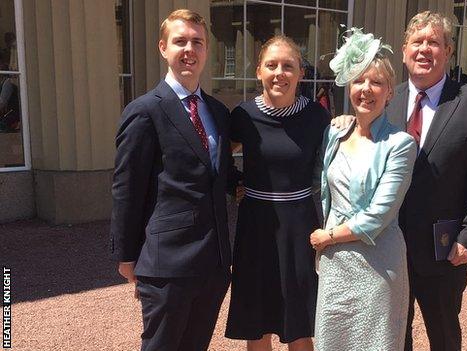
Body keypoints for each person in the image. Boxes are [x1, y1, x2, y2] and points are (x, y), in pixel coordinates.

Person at [331, 11, 467, 351]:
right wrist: (348, 122)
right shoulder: (384, 100)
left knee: (444, 335)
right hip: (387, 246)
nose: (425, 50)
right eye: (417, 42)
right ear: (405, 50)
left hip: (443, 248)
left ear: (448, 51)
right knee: (391, 335)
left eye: (434, 42)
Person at [110, 9, 239, 350]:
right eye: (180, 41)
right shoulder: (144, 110)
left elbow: (223, 175)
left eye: (197, 42)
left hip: (213, 263)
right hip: (167, 264)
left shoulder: (218, 112)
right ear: (163, 48)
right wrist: (125, 255)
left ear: (207, 51)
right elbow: (127, 186)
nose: (189, 49)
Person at [310, 28, 417, 350]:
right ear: (349, 86)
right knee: (333, 342)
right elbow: (319, 185)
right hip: (334, 266)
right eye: (359, 80)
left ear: (390, 93)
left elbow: (379, 215)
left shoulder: (400, 144)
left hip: (378, 263)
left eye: (377, 82)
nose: (366, 89)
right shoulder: (335, 133)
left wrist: (326, 237)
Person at [225, 35, 329, 351]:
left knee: (298, 326)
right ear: (259, 71)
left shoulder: (317, 117)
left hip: (300, 228)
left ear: (301, 73)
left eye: (288, 66)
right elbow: (217, 158)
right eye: (271, 65)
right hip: (255, 227)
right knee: (256, 326)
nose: (279, 73)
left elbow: (332, 171)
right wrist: (234, 182)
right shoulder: (243, 117)